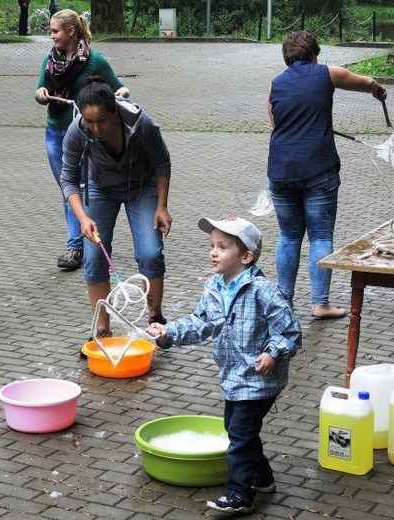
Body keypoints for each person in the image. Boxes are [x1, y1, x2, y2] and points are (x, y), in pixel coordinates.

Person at [147, 216, 301, 515]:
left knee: (240, 434)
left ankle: (239, 493)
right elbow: (200, 323)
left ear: (245, 257)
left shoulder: (263, 291)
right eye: (212, 246)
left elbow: (289, 331)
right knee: (238, 430)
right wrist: (169, 334)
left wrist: (272, 352)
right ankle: (263, 479)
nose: (213, 253)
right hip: (232, 376)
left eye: (222, 247)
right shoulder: (214, 288)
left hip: (259, 378)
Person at [267, 30, 387, 319]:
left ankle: (284, 303)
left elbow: (274, 122)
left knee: (288, 236)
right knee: (320, 236)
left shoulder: (276, 84)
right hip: (318, 166)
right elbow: (366, 83)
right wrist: (379, 91)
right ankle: (320, 304)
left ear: (287, 58)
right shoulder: (327, 73)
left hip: (281, 169)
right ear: (314, 54)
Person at [60, 77, 171, 344]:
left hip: (142, 187)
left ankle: (155, 318)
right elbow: (68, 178)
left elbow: (162, 162)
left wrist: (162, 207)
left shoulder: (141, 124)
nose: (95, 128)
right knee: (94, 256)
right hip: (100, 188)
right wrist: (83, 218)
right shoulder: (77, 131)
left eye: (102, 120)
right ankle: (102, 329)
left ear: (115, 111)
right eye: (90, 122)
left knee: (150, 252)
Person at [35, 9, 130, 271]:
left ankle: (77, 247)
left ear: (71, 32)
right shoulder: (50, 60)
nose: (51, 36)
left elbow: (119, 86)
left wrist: (120, 94)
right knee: (70, 190)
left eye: (55, 31)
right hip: (55, 132)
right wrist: (41, 93)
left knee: (81, 188)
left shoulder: (94, 60)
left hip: (85, 133)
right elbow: (39, 88)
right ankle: (83, 242)